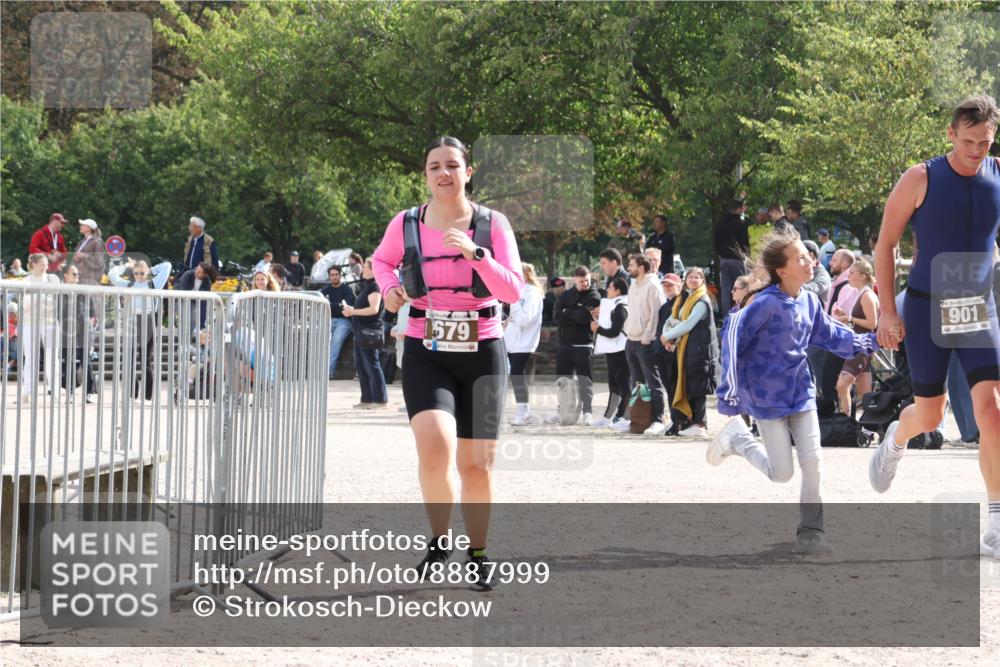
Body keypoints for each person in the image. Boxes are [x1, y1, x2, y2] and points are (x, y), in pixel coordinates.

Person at [373, 136, 524, 591]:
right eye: (434, 166)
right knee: (435, 446)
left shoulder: (493, 225)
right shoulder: (406, 223)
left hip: (482, 349)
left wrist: (477, 256)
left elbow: (513, 290)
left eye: (452, 166)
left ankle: (477, 553)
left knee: (477, 464)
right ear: (425, 174)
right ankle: (439, 540)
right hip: (427, 346)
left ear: (468, 172)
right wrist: (389, 290)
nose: (444, 173)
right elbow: (382, 262)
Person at [868, 96, 1000, 561]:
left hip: (976, 307)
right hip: (925, 308)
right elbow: (885, 245)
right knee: (930, 416)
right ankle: (895, 439)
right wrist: (887, 311)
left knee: (992, 409)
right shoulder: (920, 177)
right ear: (950, 134)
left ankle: (996, 522)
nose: (976, 151)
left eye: (984, 143)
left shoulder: (998, 174)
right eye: (967, 142)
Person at [708, 232, 880, 555]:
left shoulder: (810, 301)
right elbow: (732, 336)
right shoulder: (764, 304)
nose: (810, 261)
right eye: (800, 258)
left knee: (813, 462)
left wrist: (870, 342)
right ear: (782, 270)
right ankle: (740, 440)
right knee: (782, 473)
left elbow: (830, 334)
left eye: (808, 256)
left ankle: (812, 531)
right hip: (766, 399)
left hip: (801, 393)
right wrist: (730, 389)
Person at [660, 266, 719, 437]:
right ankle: (693, 422)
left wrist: (667, 337)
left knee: (697, 387)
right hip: (690, 349)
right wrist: (667, 335)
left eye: (697, 277)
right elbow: (674, 318)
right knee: (691, 385)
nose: (693, 280)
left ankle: (699, 424)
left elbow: (688, 324)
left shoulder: (701, 300)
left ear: (702, 281)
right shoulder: (687, 298)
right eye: (690, 277)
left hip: (700, 351)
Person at [108, 259, 171, 400]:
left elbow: (167, 266)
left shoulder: (154, 284)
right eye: (136, 273)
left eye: (142, 272)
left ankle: (148, 396)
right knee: (129, 359)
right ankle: (132, 394)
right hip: (132, 321)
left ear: (147, 272)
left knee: (145, 360)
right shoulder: (129, 285)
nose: (139, 275)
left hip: (148, 321)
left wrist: (152, 269)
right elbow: (112, 274)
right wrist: (126, 266)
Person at [623, 253, 667, 435]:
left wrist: (647, 337)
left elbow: (657, 314)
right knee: (637, 384)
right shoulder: (633, 284)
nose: (628, 268)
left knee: (653, 382)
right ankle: (640, 419)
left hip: (645, 341)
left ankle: (659, 420)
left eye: (632, 265)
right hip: (631, 339)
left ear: (641, 267)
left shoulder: (653, 285)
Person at [553, 265, 601, 424]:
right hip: (564, 344)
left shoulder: (594, 295)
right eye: (581, 281)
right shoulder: (566, 294)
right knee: (563, 381)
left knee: (585, 381)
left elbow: (583, 316)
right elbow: (556, 317)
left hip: (584, 345)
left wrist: (568, 313)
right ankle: (562, 411)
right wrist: (575, 313)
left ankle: (587, 412)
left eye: (587, 280)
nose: (585, 284)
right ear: (574, 280)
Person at [832, 258, 878, 415]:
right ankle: (867, 427)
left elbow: (872, 324)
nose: (848, 276)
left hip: (862, 346)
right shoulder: (862, 294)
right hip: (861, 345)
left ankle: (846, 422)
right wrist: (845, 316)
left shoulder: (867, 295)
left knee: (842, 385)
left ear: (863, 276)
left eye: (852, 273)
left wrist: (848, 318)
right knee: (866, 394)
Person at [343, 257, 387, 409]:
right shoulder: (368, 285)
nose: (363, 270)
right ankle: (367, 399)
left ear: (374, 270)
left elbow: (373, 309)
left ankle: (381, 400)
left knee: (372, 365)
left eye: (366, 267)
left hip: (369, 331)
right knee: (361, 366)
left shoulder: (375, 286)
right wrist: (352, 309)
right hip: (361, 331)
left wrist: (353, 311)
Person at [504, 262, 544, 426]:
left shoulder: (532, 293)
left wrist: (513, 305)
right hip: (511, 339)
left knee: (516, 374)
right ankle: (523, 410)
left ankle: (523, 411)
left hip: (524, 341)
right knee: (511, 373)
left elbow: (526, 319)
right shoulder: (517, 291)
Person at [18, 254, 62, 401]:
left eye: (46, 264)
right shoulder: (26, 280)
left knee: (53, 358)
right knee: (30, 358)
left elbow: (55, 297)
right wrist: (40, 299)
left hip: (50, 323)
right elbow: (25, 305)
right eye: (42, 264)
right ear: (33, 265)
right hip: (30, 323)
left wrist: (37, 299)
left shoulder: (52, 278)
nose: (45, 267)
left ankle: (54, 391)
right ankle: (27, 392)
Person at [591, 276, 630, 428]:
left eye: (610, 288)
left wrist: (598, 329)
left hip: (620, 350)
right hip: (613, 350)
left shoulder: (621, 307)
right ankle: (608, 417)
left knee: (623, 384)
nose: (607, 290)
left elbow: (614, 331)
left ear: (618, 291)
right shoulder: (615, 305)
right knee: (614, 385)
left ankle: (625, 417)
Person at [60, 265, 97, 402]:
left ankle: (90, 392)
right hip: (66, 330)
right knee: (68, 361)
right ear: (65, 275)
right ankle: (70, 392)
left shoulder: (83, 291)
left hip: (83, 329)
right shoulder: (59, 291)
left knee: (85, 360)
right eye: (74, 274)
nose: (77, 277)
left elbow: (92, 311)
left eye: (77, 274)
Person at [653, 273, 683, 434]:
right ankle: (674, 420)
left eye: (670, 285)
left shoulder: (682, 304)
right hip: (662, 352)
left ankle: (680, 421)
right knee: (669, 388)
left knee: (676, 387)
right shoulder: (664, 307)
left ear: (679, 286)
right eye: (665, 286)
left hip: (675, 352)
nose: (667, 288)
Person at [715, 198, 751, 315]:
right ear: (739, 209)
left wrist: (720, 254)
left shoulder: (719, 223)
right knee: (742, 287)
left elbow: (715, 241)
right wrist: (747, 256)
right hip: (738, 260)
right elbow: (745, 243)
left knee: (726, 290)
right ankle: (741, 313)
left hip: (724, 259)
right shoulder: (741, 224)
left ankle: (726, 316)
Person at [320, 266, 356, 380]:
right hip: (328, 319)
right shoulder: (325, 290)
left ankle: (329, 373)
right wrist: (338, 305)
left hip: (344, 321)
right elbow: (320, 306)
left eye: (336, 274)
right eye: (332, 275)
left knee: (335, 342)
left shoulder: (347, 289)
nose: (334, 276)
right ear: (329, 276)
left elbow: (347, 308)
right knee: (322, 342)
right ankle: (320, 370)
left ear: (340, 275)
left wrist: (330, 304)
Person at [174, 261, 218, 331]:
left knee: (192, 321)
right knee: (185, 319)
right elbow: (182, 292)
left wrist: (202, 323)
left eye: (199, 272)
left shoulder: (207, 283)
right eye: (197, 269)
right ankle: (182, 339)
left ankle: (188, 340)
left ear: (205, 274)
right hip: (180, 299)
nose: (196, 272)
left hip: (192, 301)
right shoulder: (188, 274)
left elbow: (204, 303)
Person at [70, 219, 106, 286]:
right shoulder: (81, 242)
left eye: (83, 225)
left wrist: (84, 256)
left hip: (90, 281)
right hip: (79, 279)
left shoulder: (97, 242)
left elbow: (99, 262)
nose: (80, 226)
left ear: (89, 228)